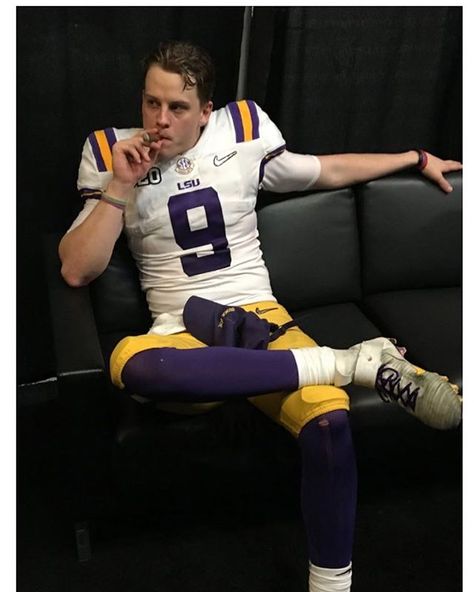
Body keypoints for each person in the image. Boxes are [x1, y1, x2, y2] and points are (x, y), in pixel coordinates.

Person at [59, 40, 462, 592]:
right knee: (133, 365)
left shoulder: (242, 128)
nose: (159, 120)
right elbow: (78, 271)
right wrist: (120, 186)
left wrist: (415, 158)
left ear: (206, 111)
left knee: (329, 420)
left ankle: (330, 585)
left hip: (259, 316)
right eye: (151, 103)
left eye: (177, 108)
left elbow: (322, 171)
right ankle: (350, 364)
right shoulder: (109, 150)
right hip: (179, 329)